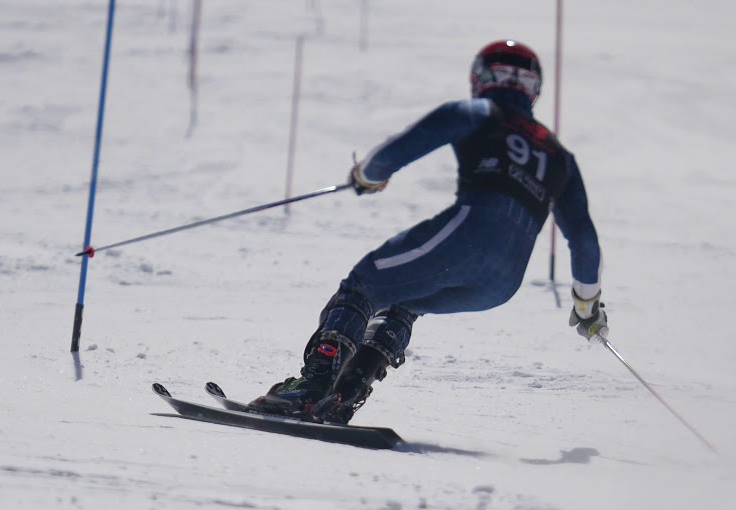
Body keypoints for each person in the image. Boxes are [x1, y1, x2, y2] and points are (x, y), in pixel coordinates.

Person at [250, 39, 608, 423]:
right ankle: (347, 391)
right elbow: (583, 239)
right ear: (534, 88)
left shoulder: (479, 111)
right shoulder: (560, 157)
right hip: (503, 282)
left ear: (481, 77)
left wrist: (367, 176)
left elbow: (403, 147)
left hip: (467, 237)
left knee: (363, 284)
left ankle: (312, 386)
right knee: (407, 298)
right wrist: (587, 307)